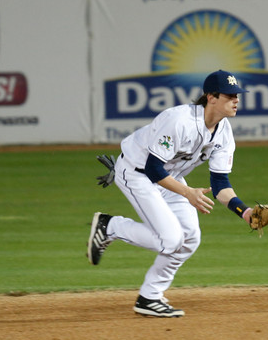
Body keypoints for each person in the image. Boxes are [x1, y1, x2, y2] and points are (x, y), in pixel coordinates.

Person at [87, 69, 257, 317]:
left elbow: (220, 183)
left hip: (171, 179)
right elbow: (153, 168)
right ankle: (110, 226)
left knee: (189, 239)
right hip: (137, 173)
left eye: (237, 95)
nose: (236, 100)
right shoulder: (180, 121)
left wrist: (245, 212)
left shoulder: (224, 132)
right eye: (230, 95)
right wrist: (188, 193)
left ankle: (149, 297)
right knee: (170, 239)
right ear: (211, 97)